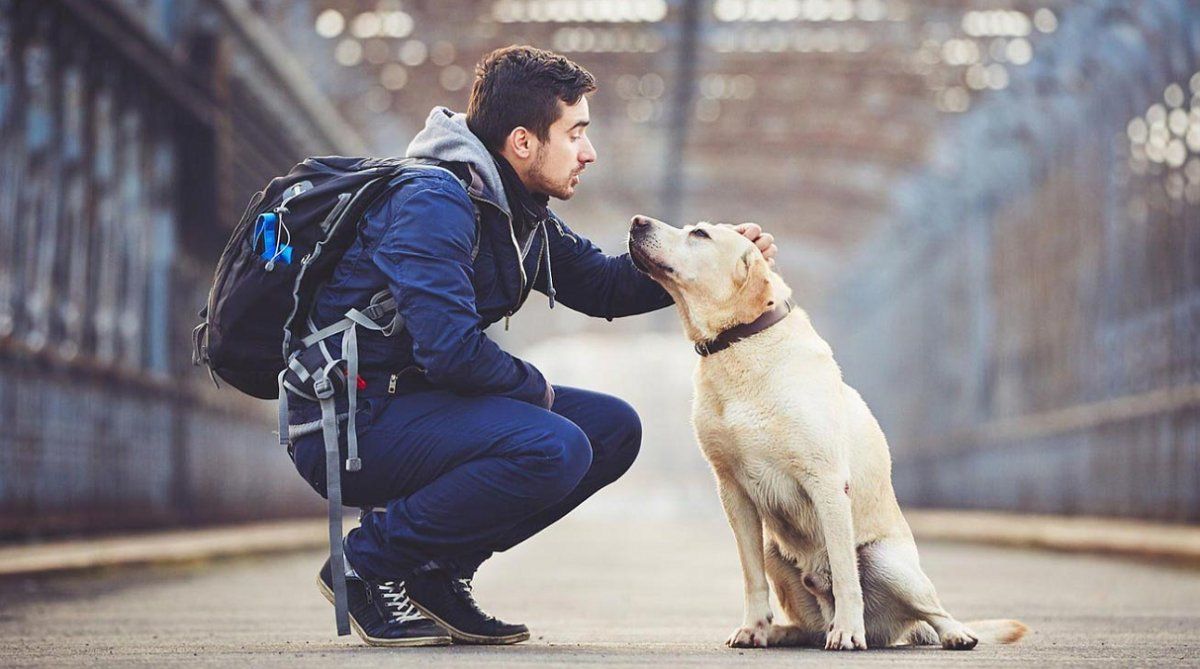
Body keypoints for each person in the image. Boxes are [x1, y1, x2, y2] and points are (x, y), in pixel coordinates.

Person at [287, 45, 779, 647]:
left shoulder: (518, 212)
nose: (589, 152)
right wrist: (536, 390)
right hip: (352, 422)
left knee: (612, 429)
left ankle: (438, 573)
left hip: (417, 405)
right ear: (523, 142)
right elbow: (450, 350)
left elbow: (601, 283)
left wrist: (698, 263)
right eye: (575, 133)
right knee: (553, 446)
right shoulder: (432, 203)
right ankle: (365, 563)